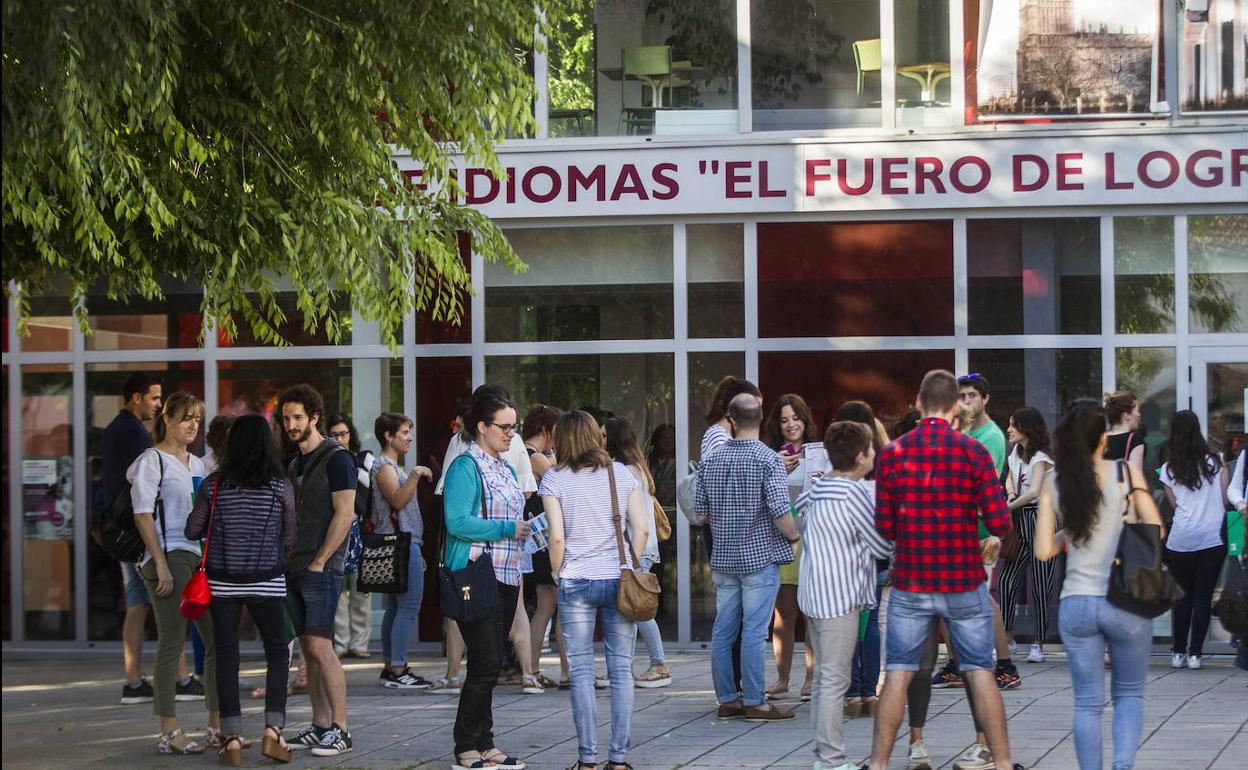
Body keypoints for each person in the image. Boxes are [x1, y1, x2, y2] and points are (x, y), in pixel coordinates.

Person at [866, 370, 1020, 770]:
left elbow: (883, 527)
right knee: (980, 670)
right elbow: (1000, 522)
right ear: (955, 407)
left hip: (912, 582)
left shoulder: (894, 454)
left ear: (918, 403)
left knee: (898, 671)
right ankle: (1002, 762)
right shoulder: (973, 453)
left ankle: (879, 763)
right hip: (963, 581)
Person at [1034, 401, 1165, 770]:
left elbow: (1044, 550)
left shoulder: (1053, 482)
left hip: (1077, 603)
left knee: (1087, 703)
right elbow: (1156, 528)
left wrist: (1070, 532)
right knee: (1129, 694)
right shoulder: (1125, 473)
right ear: (1103, 438)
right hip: (1125, 600)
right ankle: (1123, 765)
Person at [185, 414, 296, 765]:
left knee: (227, 656)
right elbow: (290, 537)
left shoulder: (214, 485)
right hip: (267, 580)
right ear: (267, 444)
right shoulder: (281, 487)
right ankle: (273, 731)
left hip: (222, 582)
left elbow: (192, 530)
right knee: (278, 650)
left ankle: (231, 739)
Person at [542, 411, 650, 770]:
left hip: (575, 580)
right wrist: (629, 565)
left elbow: (556, 536)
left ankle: (587, 759)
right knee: (621, 670)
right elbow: (642, 530)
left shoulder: (554, 480)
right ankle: (618, 759)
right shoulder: (621, 473)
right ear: (594, 436)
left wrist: (558, 572)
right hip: (618, 578)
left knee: (582, 672)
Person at [695, 393, 800, 722]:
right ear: (761, 417)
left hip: (724, 558)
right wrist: (795, 536)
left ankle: (727, 699)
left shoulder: (711, 460)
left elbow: (700, 514)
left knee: (723, 631)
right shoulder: (768, 460)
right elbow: (780, 512)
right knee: (754, 632)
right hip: (759, 559)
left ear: (731, 419)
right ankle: (756, 701)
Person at [442, 387, 532, 770]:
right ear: (482, 426)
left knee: (490, 662)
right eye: (505, 427)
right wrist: (507, 529)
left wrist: (527, 529)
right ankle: (467, 745)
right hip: (478, 573)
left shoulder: (506, 467)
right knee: (486, 661)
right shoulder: (466, 466)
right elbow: (457, 522)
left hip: (508, 573)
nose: (511, 434)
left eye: (515, 427)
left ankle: (485, 742)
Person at [797, 421, 893, 770]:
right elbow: (879, 542)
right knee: (836, 679)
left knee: (825, 678)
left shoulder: (818, 489)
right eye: (870, 449)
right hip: (839, 597)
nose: (873, 454)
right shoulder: (854, 494)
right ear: (861, 456)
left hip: (814, 593)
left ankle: (822, 754)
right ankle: (832, 758)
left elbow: (802, 522)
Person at [128, 390, 219, 754]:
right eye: (185, 418)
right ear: (166, 420)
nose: (193, 426)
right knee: (172, 641)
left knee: (215, 641)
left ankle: (216, 725)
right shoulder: (152, 461)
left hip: (196, 558)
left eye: (197, 419)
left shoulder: (197, 464)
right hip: (168, 555)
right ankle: (169, 730)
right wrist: (160, 563)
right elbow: (141, 514)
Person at [101, 373, 198, 706]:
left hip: (135, 533)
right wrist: (156, 554)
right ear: (136, 398)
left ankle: (135, 679)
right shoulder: (133, 434)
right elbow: (142, 498)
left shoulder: (117, 429)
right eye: (155, 398)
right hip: (144, 535)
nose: (158, 405)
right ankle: (178, 679)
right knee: (158, 608)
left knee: (140, 605)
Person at [279, 384, 355, 757]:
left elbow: (346, 514)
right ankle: (320, 723)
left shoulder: (338, 458)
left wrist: (322, 560)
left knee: (321, 646)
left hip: (321, 566)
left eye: (297, 417)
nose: (291, 424)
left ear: (313, 417)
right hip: (295, 564)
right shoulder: (294, 463)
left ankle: (341, 728)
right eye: (286, 418)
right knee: (308, 649)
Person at [604, 416, 672, 688]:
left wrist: (630, 556)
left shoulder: (624, 471)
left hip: (634, 549)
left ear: (613, 439)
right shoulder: (636, 469)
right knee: (629, 608)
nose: (598, 439)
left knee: (637, 609)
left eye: (603, 434)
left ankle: (659, 664)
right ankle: (623, 667)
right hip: (638, 548)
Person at [1159, 410, 1231, 670]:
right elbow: (1224, 499)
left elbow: (1174, 503)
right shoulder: (1216, 461)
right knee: (1203, 596)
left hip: (1182, 538)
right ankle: (1196, 654)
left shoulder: (1168, 468)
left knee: (1183, 596)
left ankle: (1177, 652)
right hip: (1212, 535)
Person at [832, 400, 890, 717]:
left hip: (848, 557)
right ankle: (868, 692)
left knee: (850, 625)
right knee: (871, 626)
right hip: (877, 557)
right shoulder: (882, 459)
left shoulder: (846, 469)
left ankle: (853, 693)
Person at [371, 412, 434, 689]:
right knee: (407, 607)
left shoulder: (389, 466)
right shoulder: (385, 467)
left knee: (396, 607)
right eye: (405, 432)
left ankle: (391, 665)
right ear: (389, 436)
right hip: (400, 543)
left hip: (405, 544)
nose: (410, 437)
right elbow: (397, 500)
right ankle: (398, 668)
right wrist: (416, 474)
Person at [762, 394, 817, 701]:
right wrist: (777, 470)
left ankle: (810, 678)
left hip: (811, 539)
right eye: (784, 420)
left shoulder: (818, 453)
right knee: (783, 615)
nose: (791, 425)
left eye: (795, 418)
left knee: (811, 612)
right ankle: (782, 679)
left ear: (805, 420)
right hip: (781, 539)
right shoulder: (769, 456)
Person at [1000, 407, 1055, 663]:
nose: (1009, 429)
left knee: (1041, 582)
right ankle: (1007, 638)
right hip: (1019, 517)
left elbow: (1034, 491)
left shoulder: (1041, 457)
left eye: (1014, 425)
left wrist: (1008, 505)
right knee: (1007, 580)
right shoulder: (1015, 452)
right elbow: (1009, 478)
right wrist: (1010, 495)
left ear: (1027, 428)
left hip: (1040, 517)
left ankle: (1039, 642)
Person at [522, 403, 569, 690]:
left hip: (537, 541)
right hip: (544, 541)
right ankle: (544, 669)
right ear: (545, 429)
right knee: (552, 606)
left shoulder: (526, 452)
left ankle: (534, 668)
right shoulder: (535, 456)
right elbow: (561, 480)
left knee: (545, 607)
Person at [327, 414, 374, 660]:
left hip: (360, 530)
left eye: (343, 433)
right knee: (337, 591)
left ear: (350, 435)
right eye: (334, 434)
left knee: (360, 589)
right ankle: (340, 643)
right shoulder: (324, 461)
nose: (339, 438)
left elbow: (373, 488)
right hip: (334, 529)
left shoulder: (363, 459)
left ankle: (360, 643)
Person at [1104, 391, 1146, 479]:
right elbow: (1136, 477)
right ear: (1126, 415)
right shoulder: (1134, 440)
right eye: (1137, 410)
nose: (1139, 414)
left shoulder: (1099, 439)